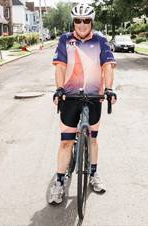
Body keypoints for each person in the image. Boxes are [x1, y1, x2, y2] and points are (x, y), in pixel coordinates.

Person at [48, 3, 117, 204]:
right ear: (73, 22)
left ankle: (93, 174)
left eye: (86, 20)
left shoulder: (101, 40)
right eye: (78, 20)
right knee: (65, 141)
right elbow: (60, 66)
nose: (82, 24)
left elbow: (108, 66)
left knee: (93, 139)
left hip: (94, 97)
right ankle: (60, 183)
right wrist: (59, 88)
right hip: (70, 98)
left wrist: (109, 88)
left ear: (91, 21)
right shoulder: (65, 40)